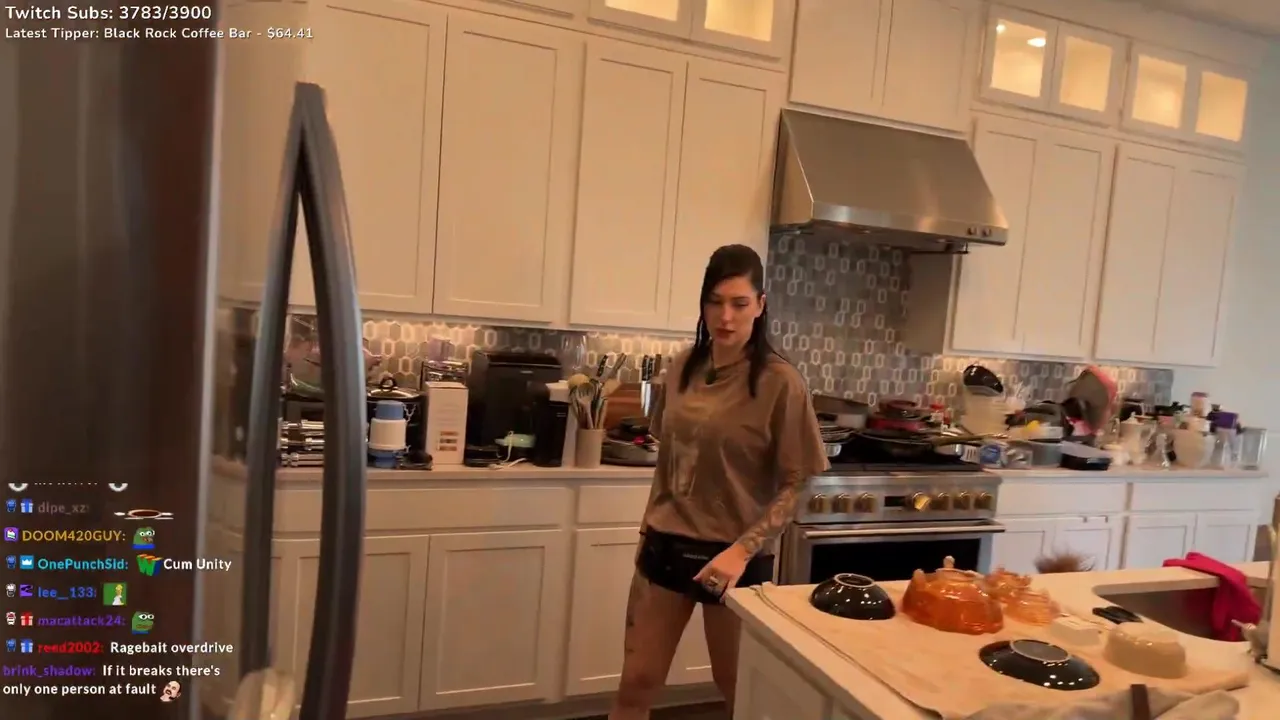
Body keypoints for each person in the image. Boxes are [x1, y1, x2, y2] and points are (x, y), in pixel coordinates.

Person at [609, 244, 828, 719]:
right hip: (668, 544)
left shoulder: (780, 382)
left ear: (761, 305)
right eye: (715, 302)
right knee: (635, 684)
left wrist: (741, 551)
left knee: (739, 691)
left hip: (734, 560)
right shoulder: (683, 367)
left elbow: (800, 479)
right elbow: (670, 461)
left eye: (739, 303)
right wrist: (647, 530)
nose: (725, 316)